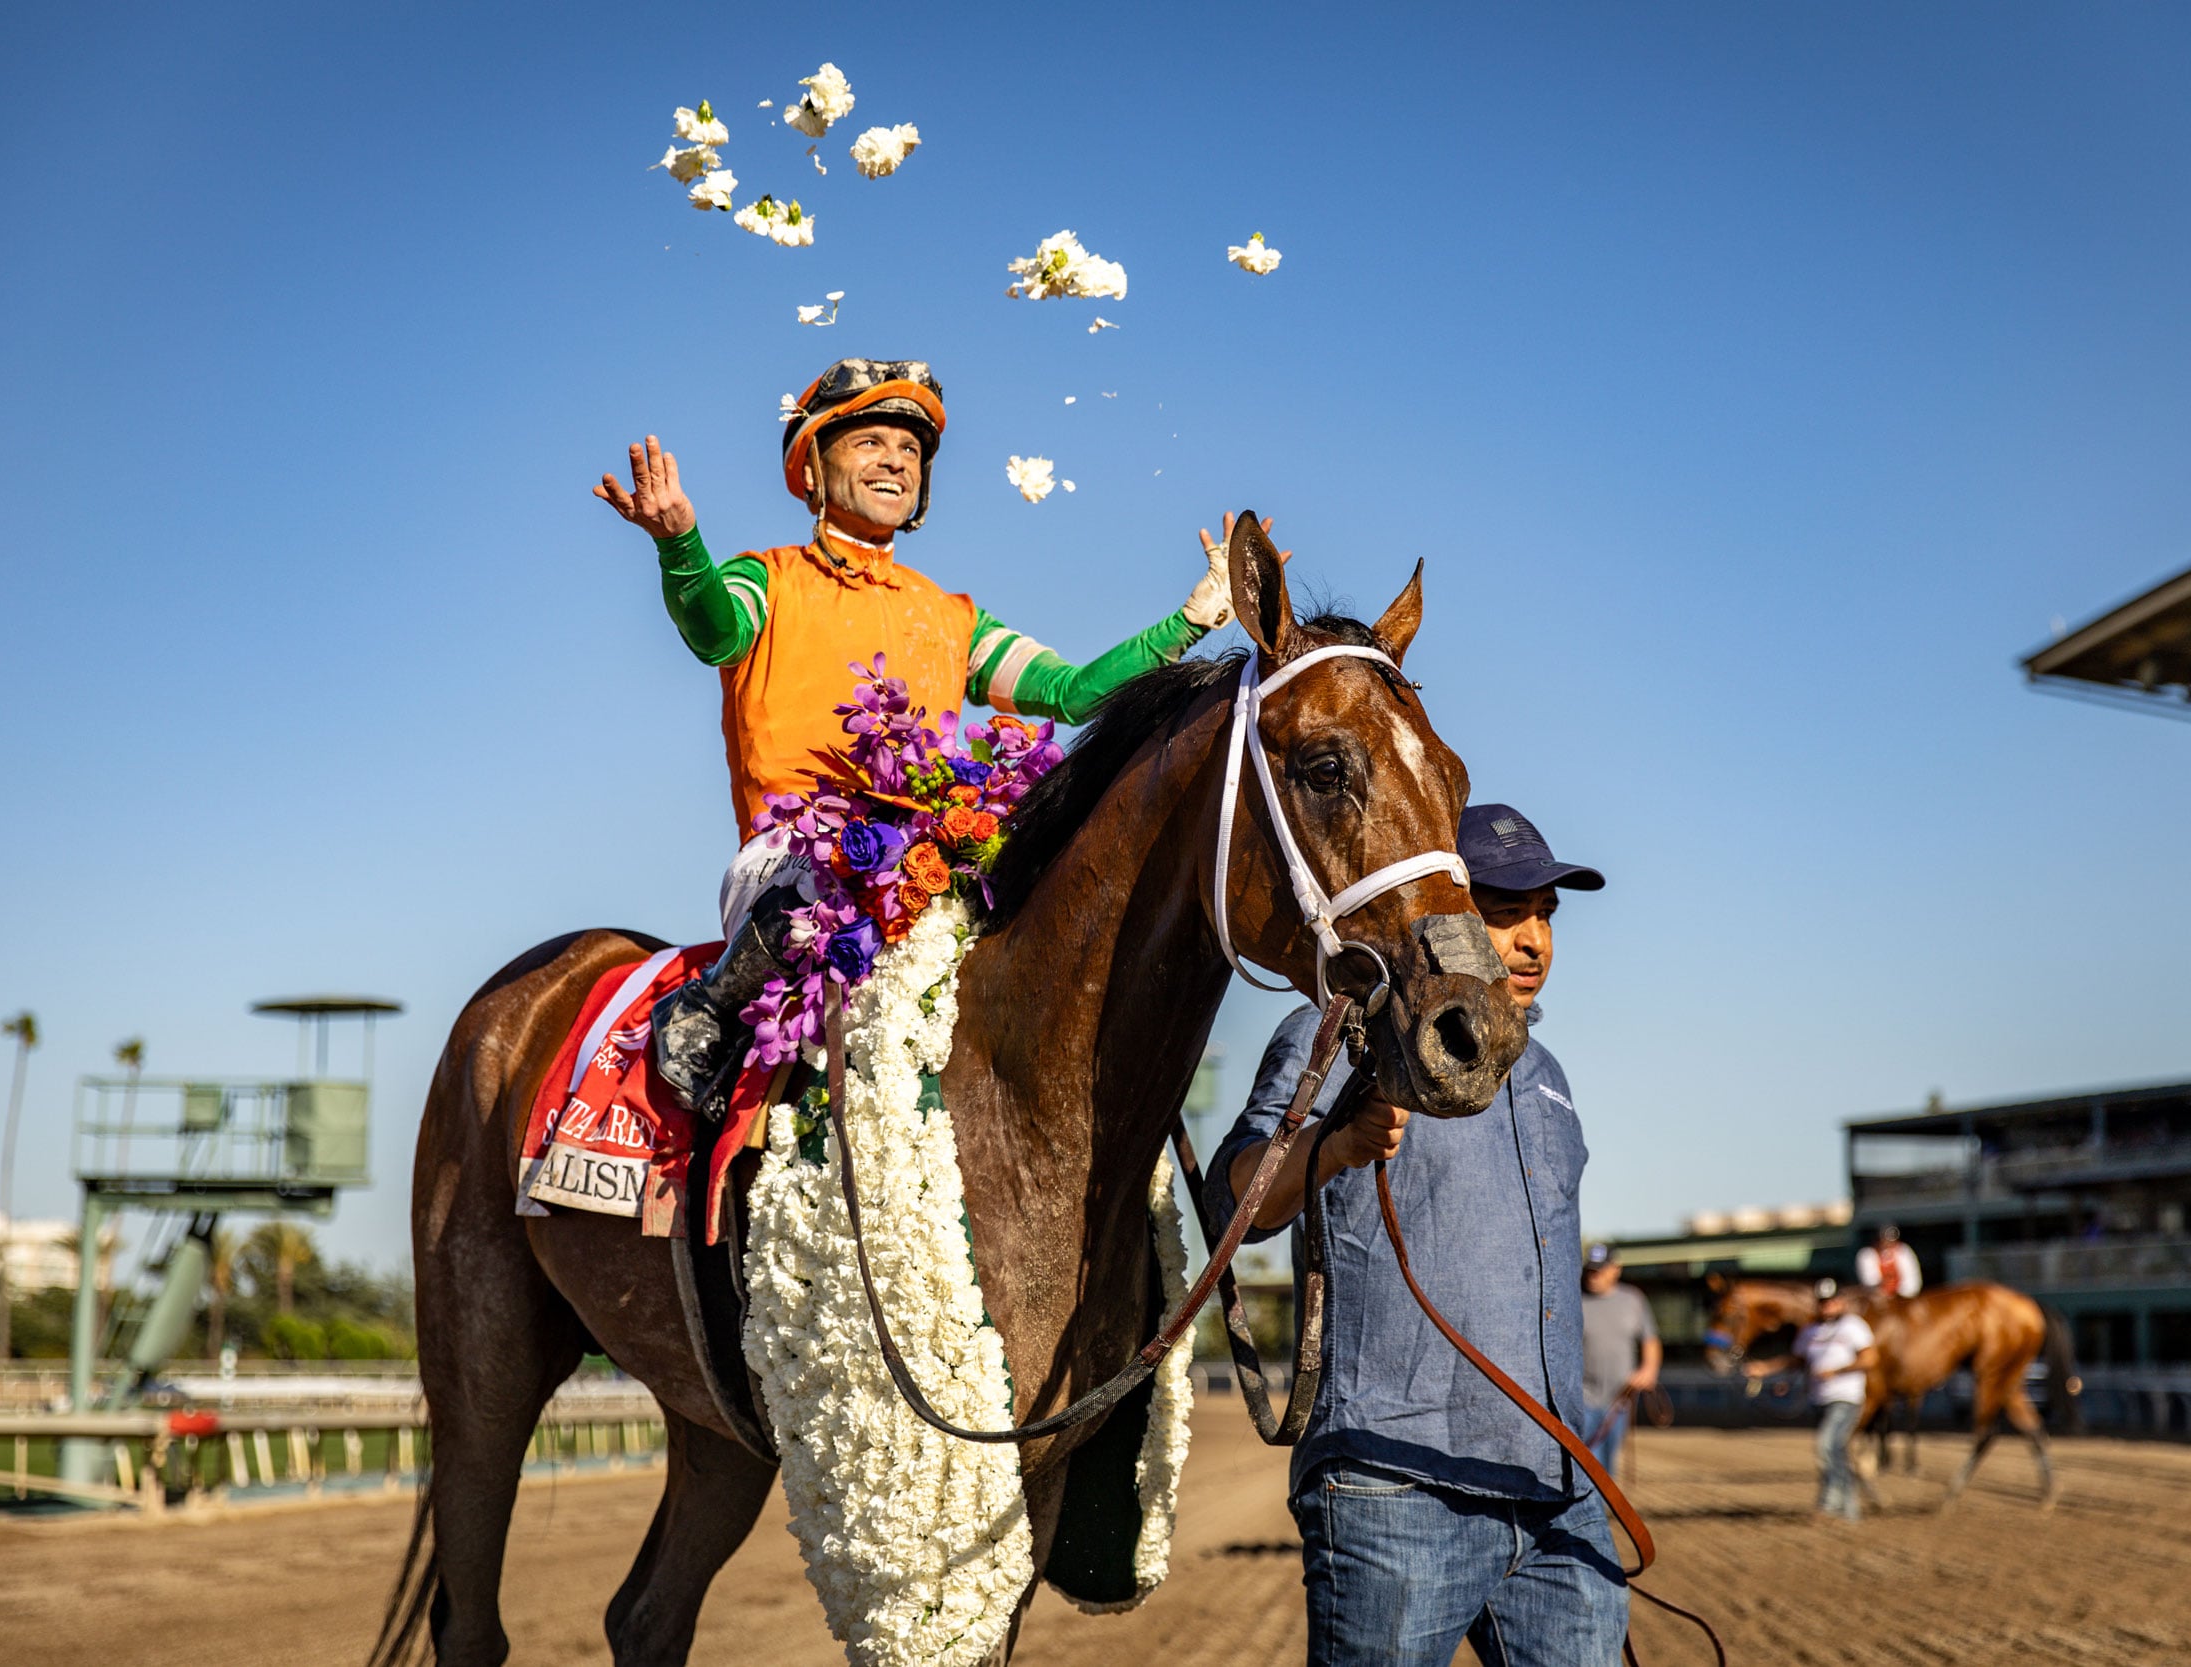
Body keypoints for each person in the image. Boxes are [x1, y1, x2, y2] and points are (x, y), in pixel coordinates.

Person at [593, 359, 1263, 1110]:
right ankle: (709, 1015)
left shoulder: (953, 616)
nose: (894, 461)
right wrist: (681, 543)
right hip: (798, 862)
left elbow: (1074, 694)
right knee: (839, 884)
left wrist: (1193, 618)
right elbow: (715, 632)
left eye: (910, 451)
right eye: (870, 441)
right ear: (814, 467)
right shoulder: (767, 578)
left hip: (932, 858)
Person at [1205, 802, 1622, 1667]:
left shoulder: (1551, 1078)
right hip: (1396, 1485)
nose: (1534, 939)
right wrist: (1338, 1142)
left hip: (1557, 1491)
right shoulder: (1345, 1032)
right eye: (1507, 913)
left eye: (1546, 913)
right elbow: (1235, 1198)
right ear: (1444, 912)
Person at [1742, 1278, 1879, 1522]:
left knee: (1827, 1445)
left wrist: (1837, 1371)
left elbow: (1870, 1359)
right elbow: (1798, 1360)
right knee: (1833, 1451)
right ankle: (1841, 1506)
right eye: (1823, 1302)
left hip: (1846, 1398)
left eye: (1831, 1301)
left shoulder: (1853, 1326)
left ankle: (1837, 1505)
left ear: (1841, 1302)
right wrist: (1767, 1370)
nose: (1827, 1306)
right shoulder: (1810, 1331)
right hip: (1820, 1398)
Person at [1578, 1243, 1661, 1476]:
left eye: (1600, 1271)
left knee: (1607, 1466)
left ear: (1616, 1269)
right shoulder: (1576, 1300)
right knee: (1587, 1463)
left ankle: (1601, 1511)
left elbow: (1650, 1340)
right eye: (1591, 1271)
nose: (1593, 1277)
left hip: (1620, 1399)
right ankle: (1592, 1511)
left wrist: (1648, 1370)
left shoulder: (1633, 1300)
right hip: (1583, 1397)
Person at [1854, 1222, 1923, 1298]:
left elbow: (1913, 1283)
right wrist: (1883, 1287)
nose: (1887, 1243)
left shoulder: (1903, 1251)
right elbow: (1869, 1282)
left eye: (1891, 1239)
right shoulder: (1867, 1254)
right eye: (1884, 1239)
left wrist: (1898, 1291)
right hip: (1878, 1299)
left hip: (1902, 1299)